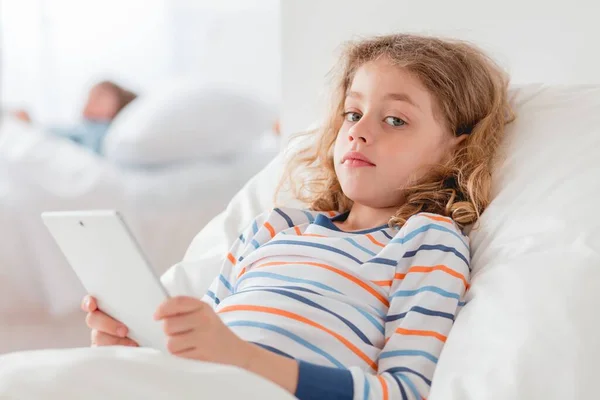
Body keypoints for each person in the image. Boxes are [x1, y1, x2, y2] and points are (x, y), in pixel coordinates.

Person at [82, 33, 513, 399]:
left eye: (396, 120)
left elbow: (403, 390)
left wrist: (245, 359)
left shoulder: (426, 240)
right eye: (353, 113)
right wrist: (139, 341)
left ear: (455, 149)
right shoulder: (274, 227)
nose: (360, 131)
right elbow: (202, 339)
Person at [13, 80, 136, 154]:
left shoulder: (102, 129)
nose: (90, 101)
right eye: (89, 97)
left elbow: (89, 156)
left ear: (119, 106)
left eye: (99, 97)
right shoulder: (85, 126)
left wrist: (32, 128)